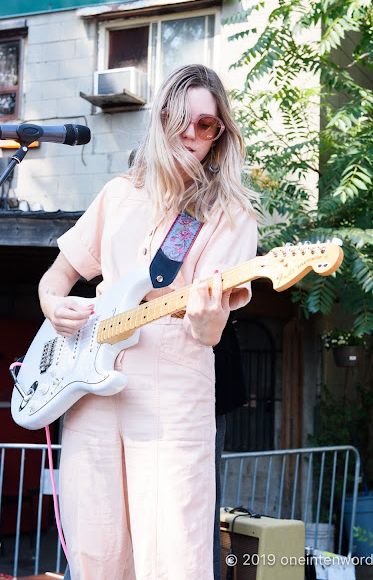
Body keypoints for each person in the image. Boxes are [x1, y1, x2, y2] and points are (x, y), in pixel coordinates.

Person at [39, 64, 257, 580]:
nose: (191, 133)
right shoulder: (119, 193)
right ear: (160, 118)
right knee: (95, 543)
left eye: (207, 125)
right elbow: (62, 270)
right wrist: (51, 300)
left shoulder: (228, 211)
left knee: (173, 552)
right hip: (91, 384)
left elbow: (207, 332)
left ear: (220, 133)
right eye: (180, 118)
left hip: (172, 392)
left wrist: (207, 321)